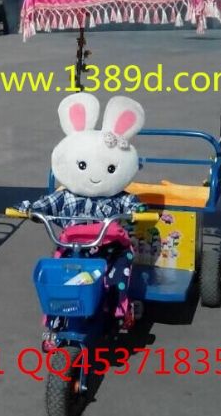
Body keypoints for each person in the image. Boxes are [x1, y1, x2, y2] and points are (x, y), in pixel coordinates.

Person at [15, 93, 146, 329]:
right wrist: (30, 209)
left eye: (110, 168)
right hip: (73, 248)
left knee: (119, 273)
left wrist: (137, 210)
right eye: (83, 165)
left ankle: (119, 307)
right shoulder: (66, 196)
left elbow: (132, 204)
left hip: (109, 249)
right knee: (58, 278)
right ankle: (55, 318)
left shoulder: (117, 197)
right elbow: (46, 204)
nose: (95, 175)